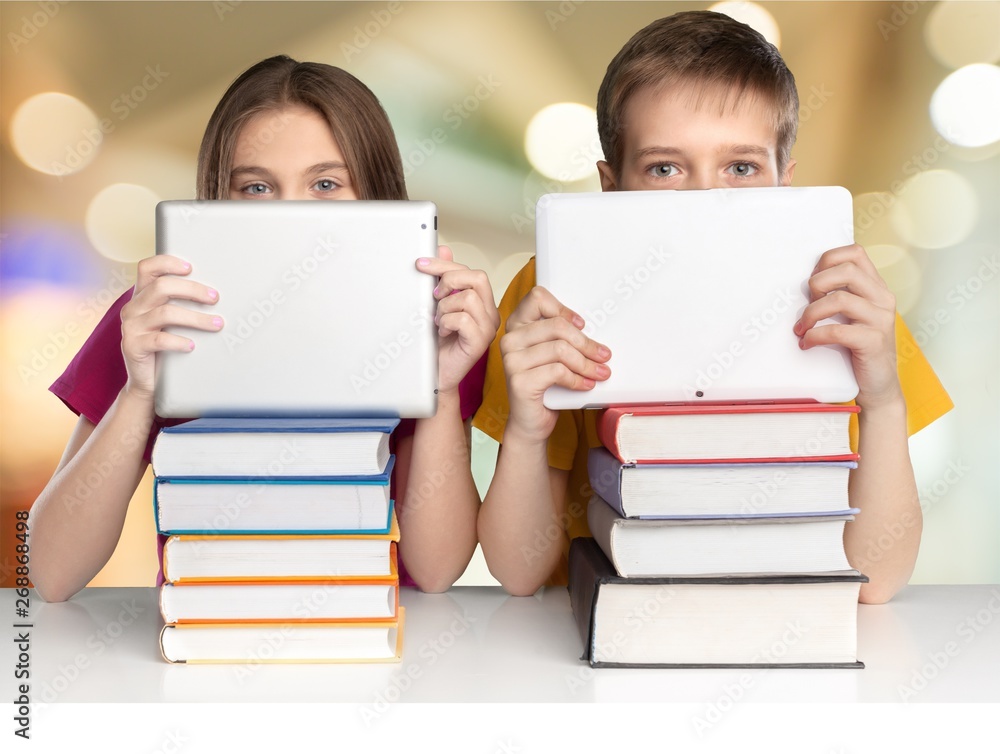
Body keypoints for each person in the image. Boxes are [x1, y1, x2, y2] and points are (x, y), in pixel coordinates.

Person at [473, 11, 953, 603]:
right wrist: (525, 430)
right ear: (611, 186)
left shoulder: (842, 296)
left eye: (741, 167)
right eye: (665, 168)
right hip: (603, 637)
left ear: (785, 183)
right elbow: (519, 572)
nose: (704, 198)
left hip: (789, 627)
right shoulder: (552, 292)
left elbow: (876, 579)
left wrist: (882, 400)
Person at [30, 56, 499, 602]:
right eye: (257, 188)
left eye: (325, 183)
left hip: (366, 638)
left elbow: (438, 569)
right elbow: (51, 571)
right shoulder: (155, 318)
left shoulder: (433, 326)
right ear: (215, 198)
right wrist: (139, 392)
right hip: (199, 633)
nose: (291, 215)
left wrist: (439, 386)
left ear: (377, 196)